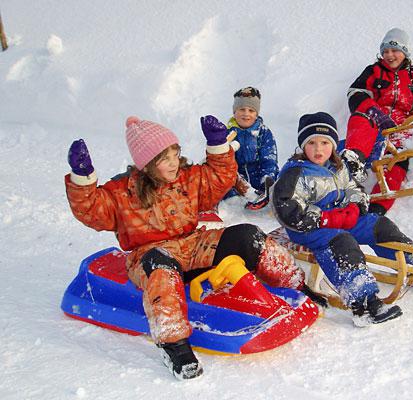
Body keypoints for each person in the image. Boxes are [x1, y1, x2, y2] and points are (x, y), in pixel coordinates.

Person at [64, 115, 310, 380]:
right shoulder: (121, 193)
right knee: (160, 268)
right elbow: (92, 210)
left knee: (247, 235)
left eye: (175, 154)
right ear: (147, 163)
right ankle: (174, 345)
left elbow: (219, 178)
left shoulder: (187, 178)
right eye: (164, 158)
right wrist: (83, 178)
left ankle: (294, 284)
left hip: (193, 244)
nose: (173, 163)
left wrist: (217, 146)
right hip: (149, 253)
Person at [272, 112, 413, 327]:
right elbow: (287, 208)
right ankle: (362, 301)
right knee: (341, 243)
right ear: (302, 146)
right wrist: (326, 219)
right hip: (309, 228)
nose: (319, 149)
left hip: (341, 218)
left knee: (378, 225)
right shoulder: (296, 173)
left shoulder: (337, 167)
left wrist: (355, 206)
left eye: (325, 143)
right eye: (312, 143)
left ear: (334, 145)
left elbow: (353, 189)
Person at [341, 28, 413, 215]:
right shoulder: (373, 71)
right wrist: (374, 112)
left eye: (394, 50)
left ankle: (376, 210)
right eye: (385, 51)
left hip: (402, 131)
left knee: (398, 164)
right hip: (375, 124)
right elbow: (355, 93)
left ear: (405, 52)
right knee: (359, 119)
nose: (389, 55)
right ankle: (354, 161)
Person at [224, 86, 279, 210]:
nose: (246, 114)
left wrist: (266, 181)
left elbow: (269, 160)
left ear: (257, 113)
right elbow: (224, 164)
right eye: (241, 109)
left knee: (277, 181)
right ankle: (233, 201)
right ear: (234, 112)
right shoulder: (227, 134)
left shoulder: (263, 133)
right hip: (236, 185)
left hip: (259, 181)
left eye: (251, 110)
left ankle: (267, 197)